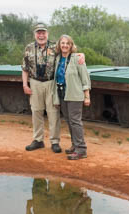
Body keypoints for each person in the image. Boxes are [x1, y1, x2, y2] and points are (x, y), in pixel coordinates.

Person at [22, 23, 84, 153]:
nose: (41, 35)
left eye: (43, 32)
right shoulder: (28, 48)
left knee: (53, 113)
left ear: (47, 34)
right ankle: (38, 140)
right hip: (34, 82)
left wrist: (81, 54)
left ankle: (55, 141)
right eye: (38, 32)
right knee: (36, 111)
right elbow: (25, 68)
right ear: (35, 34)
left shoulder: (55, 47)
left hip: (51, 83)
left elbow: (69, 51)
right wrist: (25, 84)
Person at [53, 35, 91, 160]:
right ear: (59, 44)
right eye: (62, 43)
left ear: (71, 45)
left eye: (67, 43)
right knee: (69, 121)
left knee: (75, 121)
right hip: (62, 93)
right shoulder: (57, 58)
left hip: (75, 94)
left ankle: (82, 149)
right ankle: (75, 145)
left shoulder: (77, 58)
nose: (64, 45)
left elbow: (85, 78)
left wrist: (87, 96)